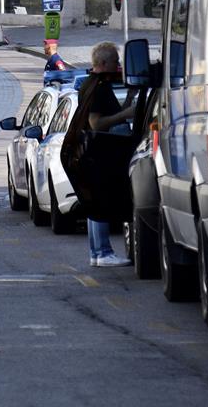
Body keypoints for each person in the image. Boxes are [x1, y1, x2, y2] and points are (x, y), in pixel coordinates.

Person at [81, 41, 137, 267]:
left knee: (95, 203)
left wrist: (129, 101)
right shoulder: (98, 87)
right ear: (103, 63)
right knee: (101, 202)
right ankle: (103, 252)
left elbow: (109, 112)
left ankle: (97, 252)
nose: (119, 65)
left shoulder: (92, 84)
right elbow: (97, 123)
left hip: (93, 151)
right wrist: (126, 113)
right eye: (115, 61)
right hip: (101, 151)